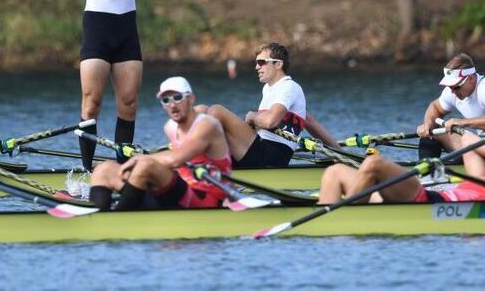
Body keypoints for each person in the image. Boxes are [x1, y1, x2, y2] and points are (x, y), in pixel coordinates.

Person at [4, 0, 249, 170]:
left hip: (126, 34)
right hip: (97, 33)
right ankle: (87, 171)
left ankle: (124, 170)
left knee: (129, 104)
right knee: (91, 104)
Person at [89, 76, 232, 210]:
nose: (172, 105)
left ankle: (118, 218)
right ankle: (97, 217)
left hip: (207, 199)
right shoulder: (170, 127)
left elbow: (176, 159)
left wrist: (140, 159)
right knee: (103, 169)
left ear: (191, 99)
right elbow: (171, 161)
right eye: (165, 100)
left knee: (146, 165)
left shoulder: (207, 125)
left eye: (177, 98)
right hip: (179, 195)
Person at [200, 42, 339, 169]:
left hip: (272, 156)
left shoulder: (289, 87)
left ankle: (207, 164)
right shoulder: (268, 88)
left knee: (216, 110)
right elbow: (309, 121)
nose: (256, 67)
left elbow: (270, 121)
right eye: (256, 63)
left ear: (278, 64)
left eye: (261, 62)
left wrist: (252, 117)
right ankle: (198, 158)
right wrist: (338, 152)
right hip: (260, 150)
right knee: (201, 110)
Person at [416, 53, 485, 178]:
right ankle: (426, 177)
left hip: (477, 144)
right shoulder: (453, 91)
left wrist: (463, 122)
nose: (452, 91)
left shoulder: (483, 89)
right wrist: (427, 124)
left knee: (467, 140)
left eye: (456, 86)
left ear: (471, 78)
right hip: (479, 144)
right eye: (450, 86)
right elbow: (435, 107)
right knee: (434, 131)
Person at [318, 154, 485, 205]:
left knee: (373, 164)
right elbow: (468, 139)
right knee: (335, 171)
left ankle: (340, 214)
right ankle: (322, 224)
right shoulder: (479, 175)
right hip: (425, 189)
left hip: (428, 200)